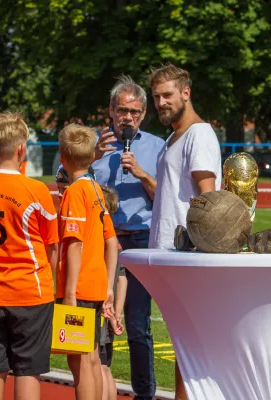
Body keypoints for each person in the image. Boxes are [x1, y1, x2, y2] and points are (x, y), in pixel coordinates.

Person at [0, 112, 58, 400]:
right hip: (30, 291)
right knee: (28, 369)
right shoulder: (36, 190)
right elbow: (51, 244)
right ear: (21, 149)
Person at [147, 64, 222, 399]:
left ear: (185, 93)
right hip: (171, 253)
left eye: (168, 95)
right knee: (183, 343)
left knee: (191, 344)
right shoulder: (172, 139)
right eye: (156, 96)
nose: (161, 102)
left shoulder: (199, 134)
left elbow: (208, 198)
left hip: (189, 255)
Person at [93, 75, 164, 400]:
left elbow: (165, 198)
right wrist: (90, 159)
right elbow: (63, 182)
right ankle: (92, 389)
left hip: (139, 242)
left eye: (135, 113)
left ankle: (144, 394)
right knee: (94, 325)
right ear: (110, 110)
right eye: (122, 111)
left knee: (137, 325)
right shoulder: (95, 143)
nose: (128, 118)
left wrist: (142, 174)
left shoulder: (157, 147)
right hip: (100, 243)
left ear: (144, 114)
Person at [56, 123, 119, 400]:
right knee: (91, 357)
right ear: (93, 155)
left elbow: (74, 243)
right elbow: (111, 242)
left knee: (79, 361)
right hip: (95, 285)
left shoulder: (73, 193)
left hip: (79, 288)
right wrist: (108, 286)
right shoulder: (96, 189)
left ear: (62, 157)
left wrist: (68, 292)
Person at [99, 185, 128, 400]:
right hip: (110, 310)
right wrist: (117, 314)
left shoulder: (98, 241)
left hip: (98, 308)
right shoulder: (115, 243)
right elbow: (122, 279)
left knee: (97, 366)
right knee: (105, 365)